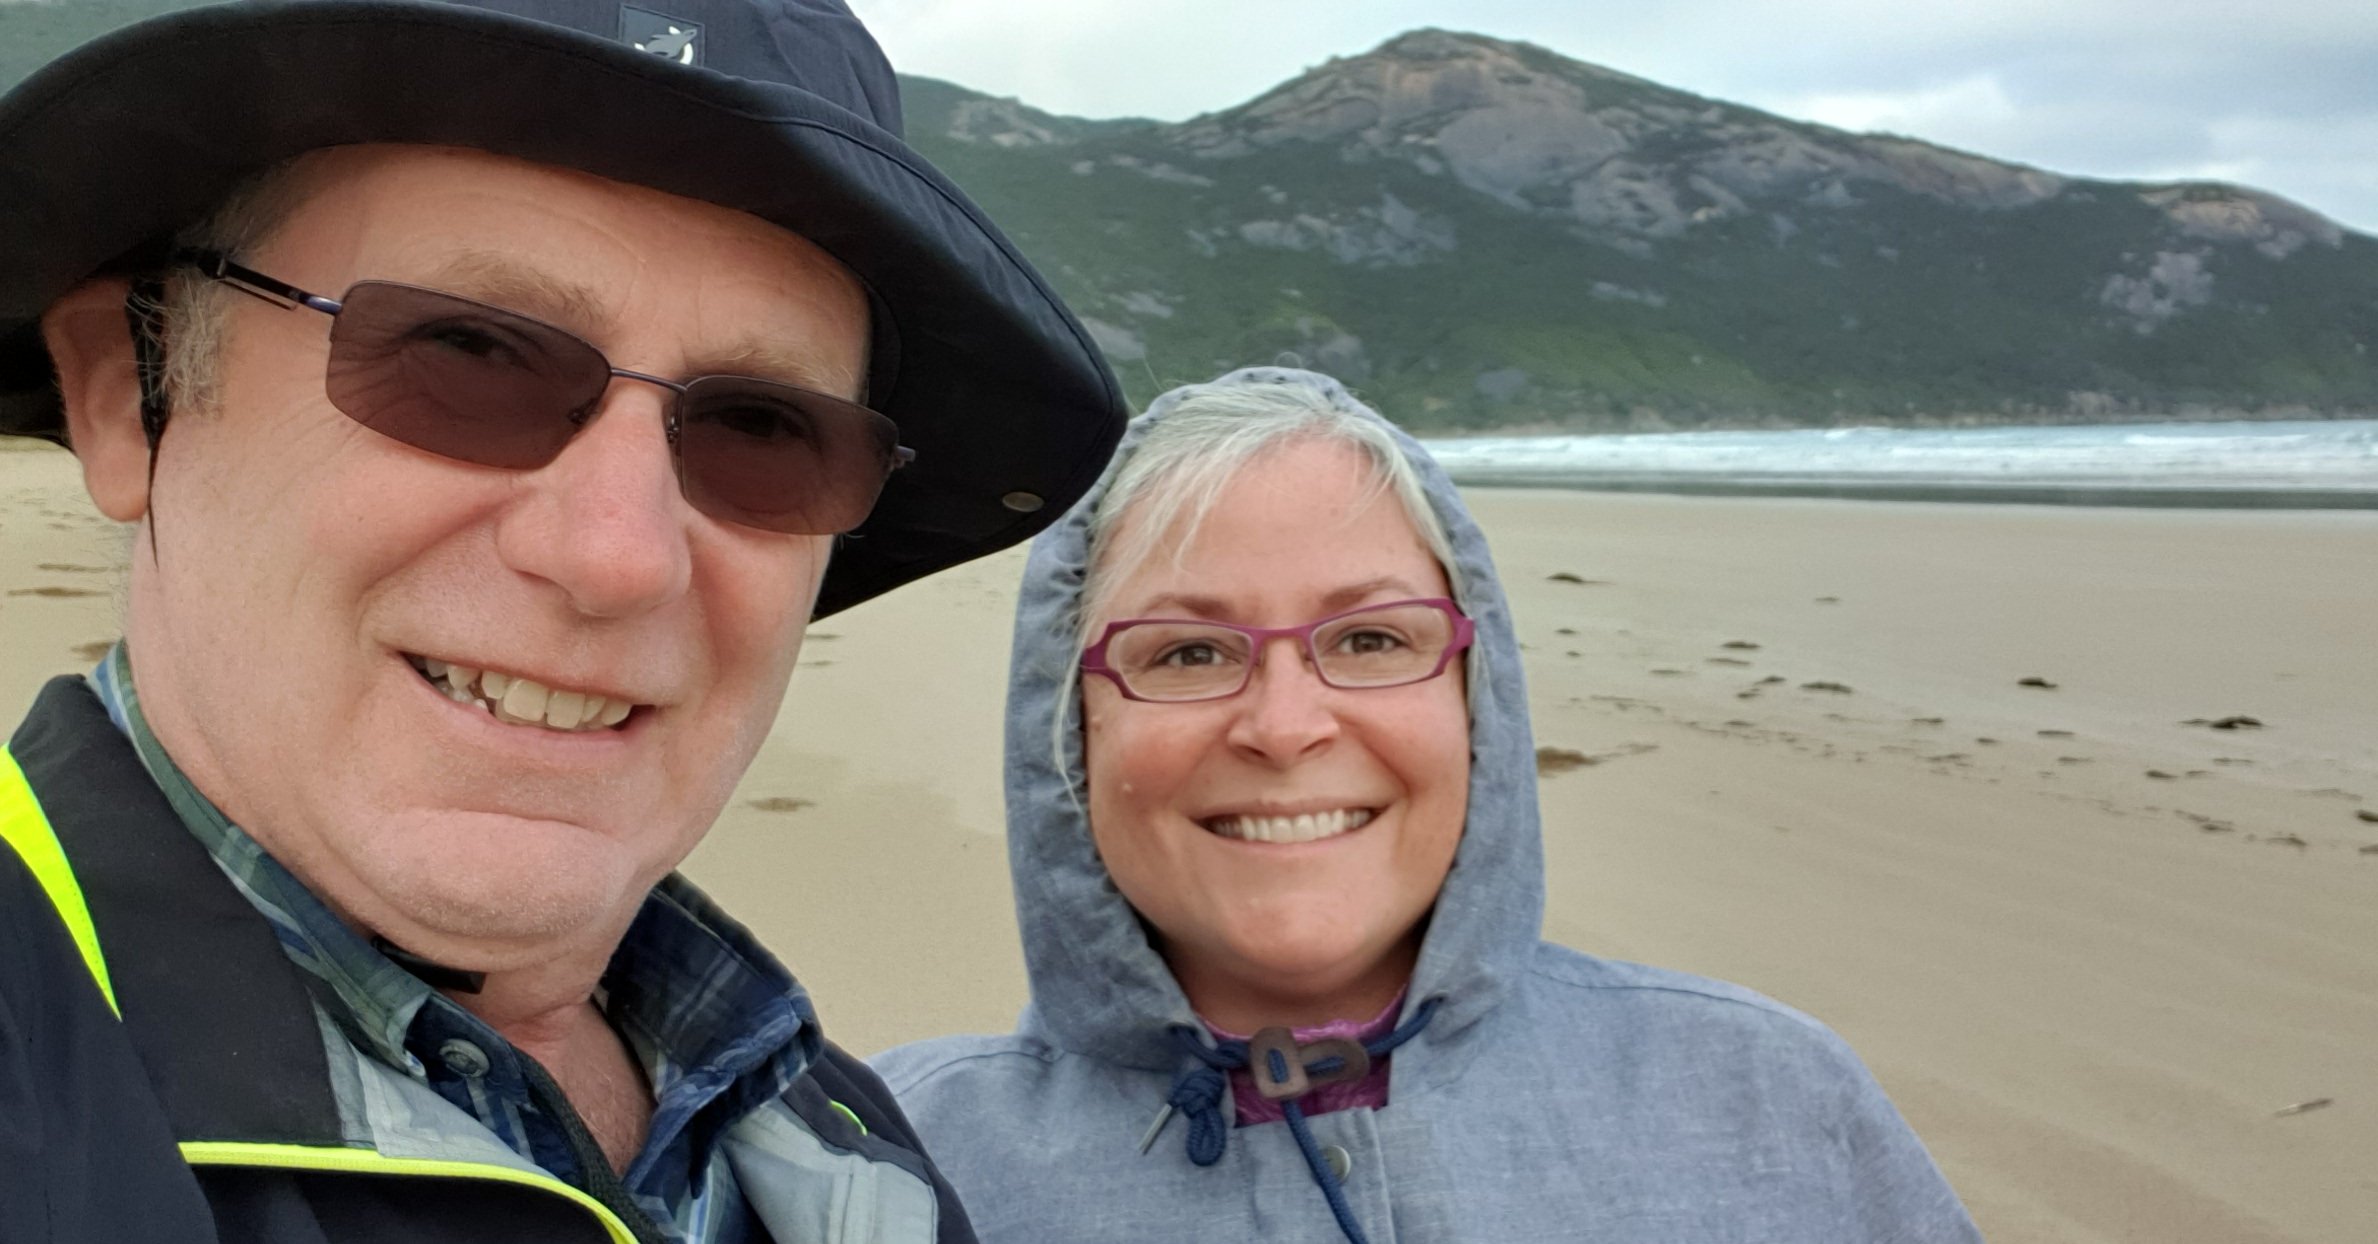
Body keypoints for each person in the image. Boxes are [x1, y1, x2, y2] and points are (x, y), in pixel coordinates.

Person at [0, 1, 1122, 1240]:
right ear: (131, 393)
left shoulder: (840, 1139)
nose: (618, 555)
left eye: (761, 428)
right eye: (470, 353)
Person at [872, 367, 1982, 1243]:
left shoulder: (1766, 1094)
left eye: (1369, 639)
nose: (1284, 726)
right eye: (1188, 651)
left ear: (1474, 699)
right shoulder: (887, 1168)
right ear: (1068, 731)